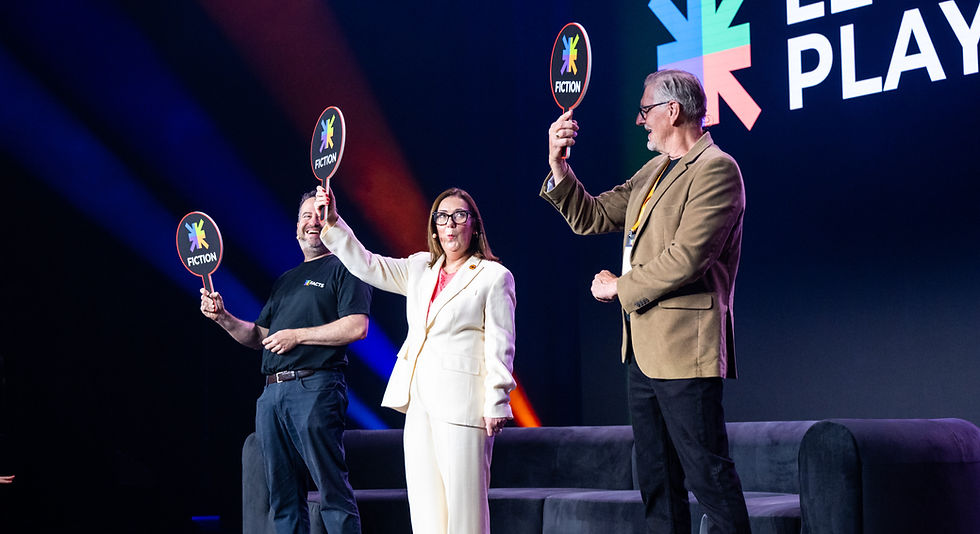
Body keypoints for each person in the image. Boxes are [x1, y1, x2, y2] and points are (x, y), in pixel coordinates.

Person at [542, 69, 751, 534]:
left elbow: (688, 257)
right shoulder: (653, 171)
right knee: (656, 481)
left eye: (645, 110)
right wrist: (559, 166)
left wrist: (620, 287)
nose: (640, 121)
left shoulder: (717, 169)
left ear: (672, 111)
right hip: (641, 351)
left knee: (708, 475)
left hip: (685, 349)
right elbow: (593, 215)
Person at [314, 185, 516, 534]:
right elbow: (368, 265)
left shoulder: (494, 276)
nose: (450, 224)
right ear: (434, 227)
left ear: (474, 226)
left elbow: (501, 342)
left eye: (459, 216)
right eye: (442, 217)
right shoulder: (421, 267)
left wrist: (497, 399)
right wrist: (332, 223)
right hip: (420, 400)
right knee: (425, 507)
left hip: (464, 403)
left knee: (464, 509)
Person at [200, 190, 372, 534]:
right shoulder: (285, 281)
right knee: (283, 499)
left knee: (331, 491)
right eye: (306, 216)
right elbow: (259, 336)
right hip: (272, 395)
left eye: (320, 214)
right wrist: (223, 318)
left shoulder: (347, 266)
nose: (313, 222)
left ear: (332, 221)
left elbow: (357, 326)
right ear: (296, 227)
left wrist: (298, 335)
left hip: (315, 387)